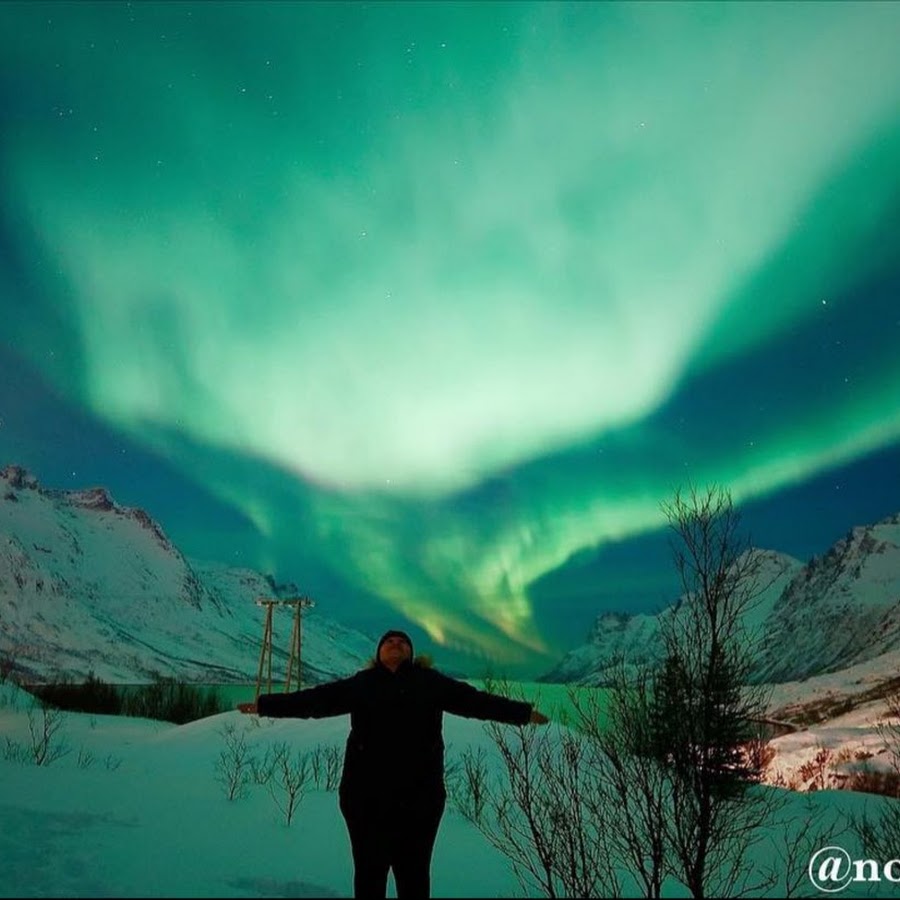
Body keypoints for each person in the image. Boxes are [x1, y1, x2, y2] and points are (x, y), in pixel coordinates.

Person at [237, 628, 549, 899]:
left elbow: (477, 702)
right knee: (369, 879)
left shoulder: (430, 682)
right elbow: (314, 701)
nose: (396, 644)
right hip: (365, 801)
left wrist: (521, 713)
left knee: (414, 880)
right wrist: (266, 705)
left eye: (402, 642)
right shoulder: (362, 684)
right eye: (389, 641)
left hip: (420, 803)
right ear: (378, 652)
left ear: (412, 653)